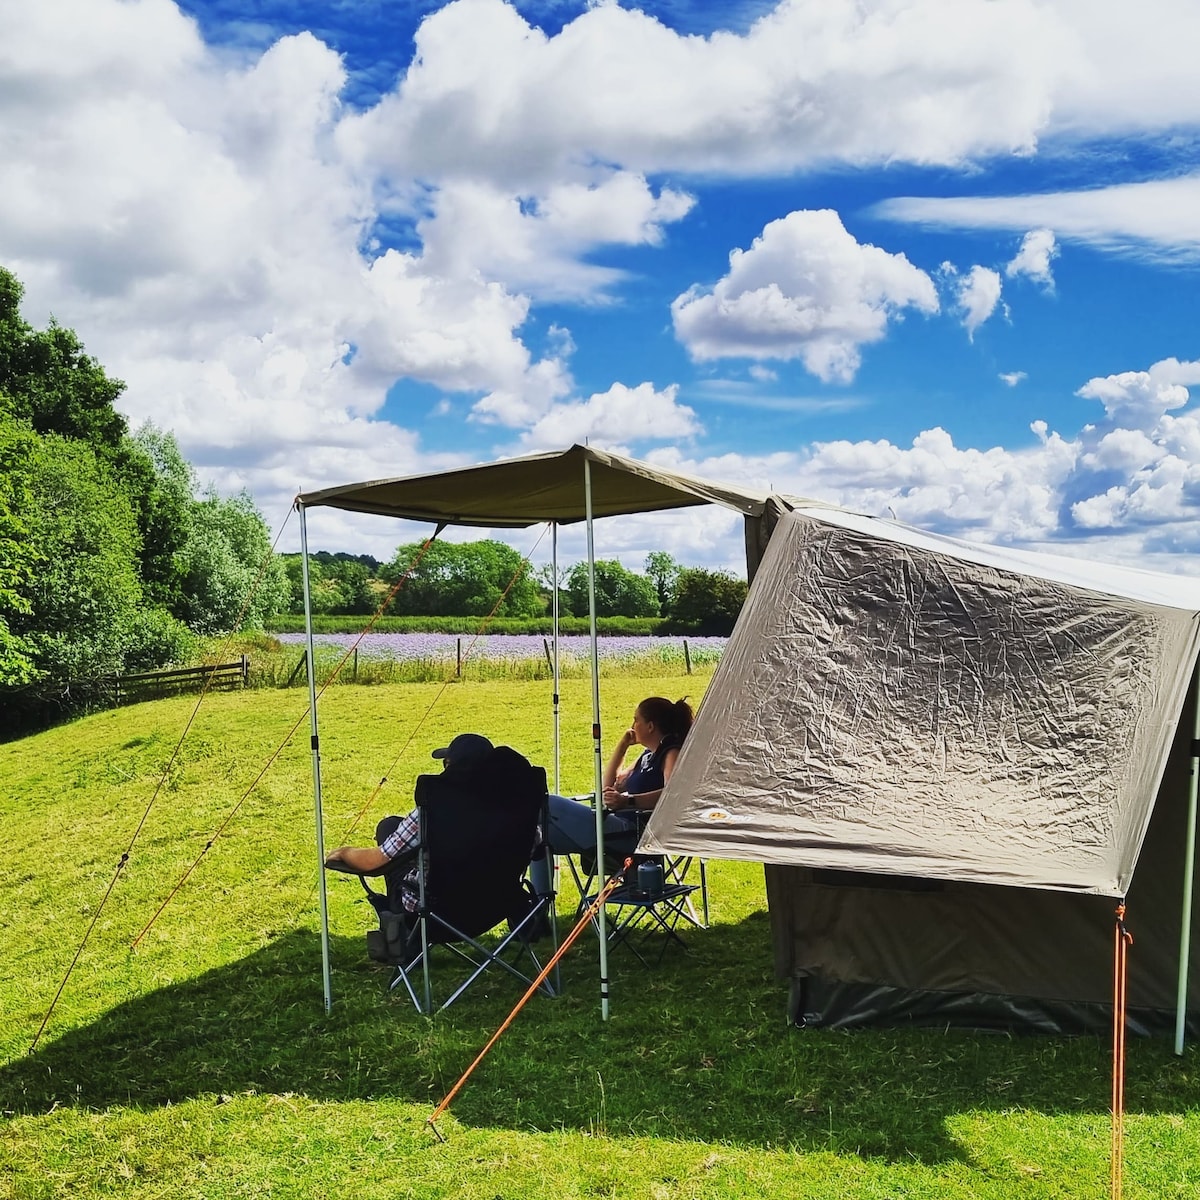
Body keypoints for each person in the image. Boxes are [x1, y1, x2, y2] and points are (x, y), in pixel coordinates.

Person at [324, 732, 494, 915]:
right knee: (390, 825)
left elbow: (374, 861)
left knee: (390, 838)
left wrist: (344, 852)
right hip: (492, 905)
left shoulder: (431, 814)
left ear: (449, 766)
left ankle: (400, 925)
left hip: (437, 910)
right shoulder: (511, 810)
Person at [542, 696, 694, 867]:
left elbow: (672, 795)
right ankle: (540, 894)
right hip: (619, 827)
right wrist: (622, 746)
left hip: (636, 833)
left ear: (650, 726)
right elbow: (608, 787)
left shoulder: (670, 753)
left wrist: (628, 801)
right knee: (537, 836)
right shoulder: (647, 755)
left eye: (636, 720)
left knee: (547, 802)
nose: (632, 726)